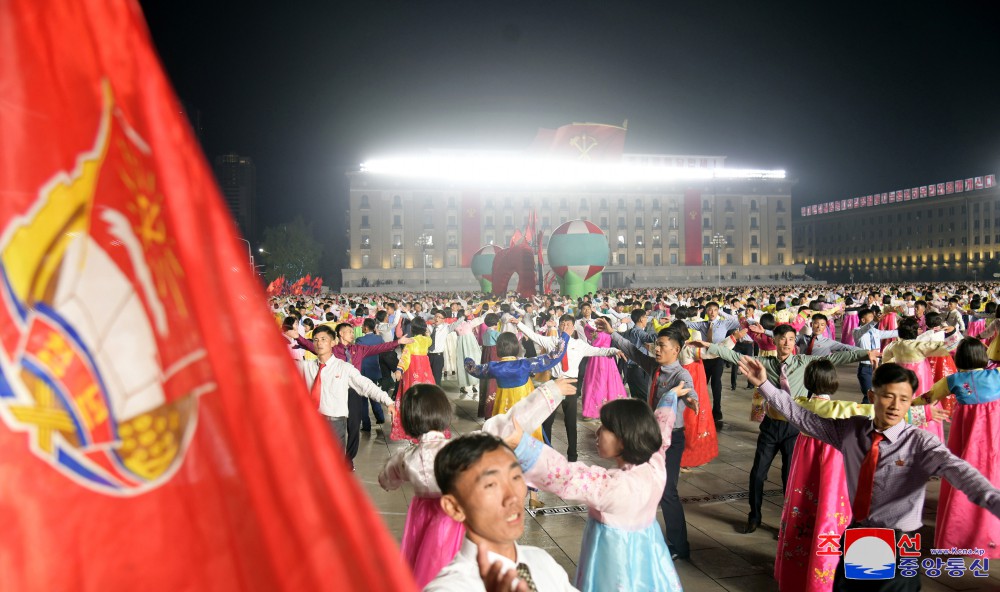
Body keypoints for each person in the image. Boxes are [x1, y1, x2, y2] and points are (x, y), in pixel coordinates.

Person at [742, 357, 1000, 592]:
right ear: (872, 396)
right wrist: (764, 384)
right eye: (888, 396)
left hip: (898, 542)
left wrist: (994, 500)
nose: (895, 406)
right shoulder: (852, 431)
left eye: (904, 399)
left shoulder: (920, 443)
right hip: (860, 535)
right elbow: (800, 416)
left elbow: (960, 471)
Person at [774, 360, 940, 592]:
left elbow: (783, 407)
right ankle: (824, 575)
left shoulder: (802, 403)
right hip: (833, 471)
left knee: (804, 513)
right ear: (834, 382)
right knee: (831, 514)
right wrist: (922, 409)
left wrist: (766, 385)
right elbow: (876, 410)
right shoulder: (843, 410)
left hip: (805, 467)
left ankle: (799, 574)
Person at [696, 324, 877, 534]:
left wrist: (865, 353)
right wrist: (709, 345)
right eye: (783, 339)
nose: (787, 343)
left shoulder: (804, 362)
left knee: (789, 478)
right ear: (775, 341)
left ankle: (787, 521)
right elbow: (735, 357)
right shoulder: (764, 363)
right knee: (757, 474)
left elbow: (836, 358)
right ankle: (754, 516)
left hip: (795, 427)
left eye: (791, 339)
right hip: (771, 426)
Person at [502, 387, 688, 591]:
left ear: (625, 436)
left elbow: (566, 476)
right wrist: (671, 396)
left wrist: (523, 445)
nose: (597, 432)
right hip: (651, 553)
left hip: (615, 566)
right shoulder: (655, 461)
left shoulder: (613, 487)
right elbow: (663, 424)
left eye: (605, 428)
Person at [424, 433, 578, 592]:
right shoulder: (447, 588)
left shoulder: (542, 561)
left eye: (516, 477)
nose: (512, 497)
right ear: (454, 507)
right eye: (491, 485)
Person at [599, 318, 699, 561]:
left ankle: (679, 546)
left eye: (662, 345)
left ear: (676, 349)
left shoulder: (680, 374)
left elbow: (690, 392)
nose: (656, 348)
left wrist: (691, 400)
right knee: (639, 485)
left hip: (672, 439)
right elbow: (632, 350)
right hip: (651, 437)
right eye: (656, 344)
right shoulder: (654, 367)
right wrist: (613, 333)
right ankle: (638, 535)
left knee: (668, 491)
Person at [920, 338, 1000, 558]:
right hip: (995, 438)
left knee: (963, 478)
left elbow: (927, 398)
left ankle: (960, 537)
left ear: (960, 358)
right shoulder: (997, 375)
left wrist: (905, 404)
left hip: (968, 439)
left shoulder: (953, 380)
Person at [379, 385, 462, 587]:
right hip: (456, 514)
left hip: (422, 513)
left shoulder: (406, 458)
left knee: (421, 560)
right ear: (443, 413)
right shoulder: (459, 449)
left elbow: (386, 479)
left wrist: (389, 483)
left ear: (409, 420)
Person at [518, 313, 621, 462]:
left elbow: (598, 351)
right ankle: (546, 452)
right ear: (559, 327)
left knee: (570, 422)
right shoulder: (552, 341)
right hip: (554, 384)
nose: (565, 327)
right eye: (563, 324)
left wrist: (614, 350)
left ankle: (572, 455)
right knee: (547, 420)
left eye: (568, 325)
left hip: (571, 385)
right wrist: (519, 324)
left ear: (573, 328)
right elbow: (533, 336)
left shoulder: (579, 345)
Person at [300, 325, 396, 457]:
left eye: (323, 339)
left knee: (334, 461)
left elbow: (365, 384)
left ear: (333, 342)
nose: (319, 343)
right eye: (315, 340)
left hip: (334, 422)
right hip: (311, 422)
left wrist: (387, 401)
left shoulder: (344, 368)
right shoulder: (306, 367)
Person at [683, 301, 741, 430]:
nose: (712, 312)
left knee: (716, 384)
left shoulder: (724, 323)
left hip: (717, 358)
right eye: (710, 310)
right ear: (706, 311)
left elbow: (737, 321)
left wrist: (721, 311)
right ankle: (701, 409)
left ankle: (717, 411)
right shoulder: (702, 324)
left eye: (715, 310)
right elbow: (685, 323)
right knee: (701, 384)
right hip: (703, 358)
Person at [390, 317, 441, 442]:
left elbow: (405, 357)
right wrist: (427, 331)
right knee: (426, 397)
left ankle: (412, 424)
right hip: (425, 371)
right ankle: (426, 423)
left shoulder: (411, 341)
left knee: (412, 397)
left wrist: (399, 369)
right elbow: (429, 337)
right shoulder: (427, 340)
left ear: (412, 328)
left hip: (413, 371)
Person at [580, 317, 628, 419]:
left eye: (600, 324)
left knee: (596, 383)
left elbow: (590, 335)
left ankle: (593, 409)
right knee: (609, 382)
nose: (598, 326)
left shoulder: (598, 334)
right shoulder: (608, 334)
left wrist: (587, 325)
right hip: (608, 360)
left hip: (598, 360)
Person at [853, 308, 899, 403]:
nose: (873, 319)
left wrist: (907, 328)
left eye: (873, 317)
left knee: (876, 394)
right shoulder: (857, 331)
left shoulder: (876, 331)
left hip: (877, 367)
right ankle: (865, 416)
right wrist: (874, 321)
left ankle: (871, 415)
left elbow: (892, 333)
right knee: (868, 394)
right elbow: (865, 329)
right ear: (863, 320)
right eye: (871, 317)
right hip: (865, 367)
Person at [356, 318, 387, 432]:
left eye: (363, 325)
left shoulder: (360, 340)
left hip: (363, 372)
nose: (361, 327)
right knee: (374, 394)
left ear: (366, 327)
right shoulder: (379, 339)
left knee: (363, 399)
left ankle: (366, 425)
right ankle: (380, 417)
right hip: (374, 370)